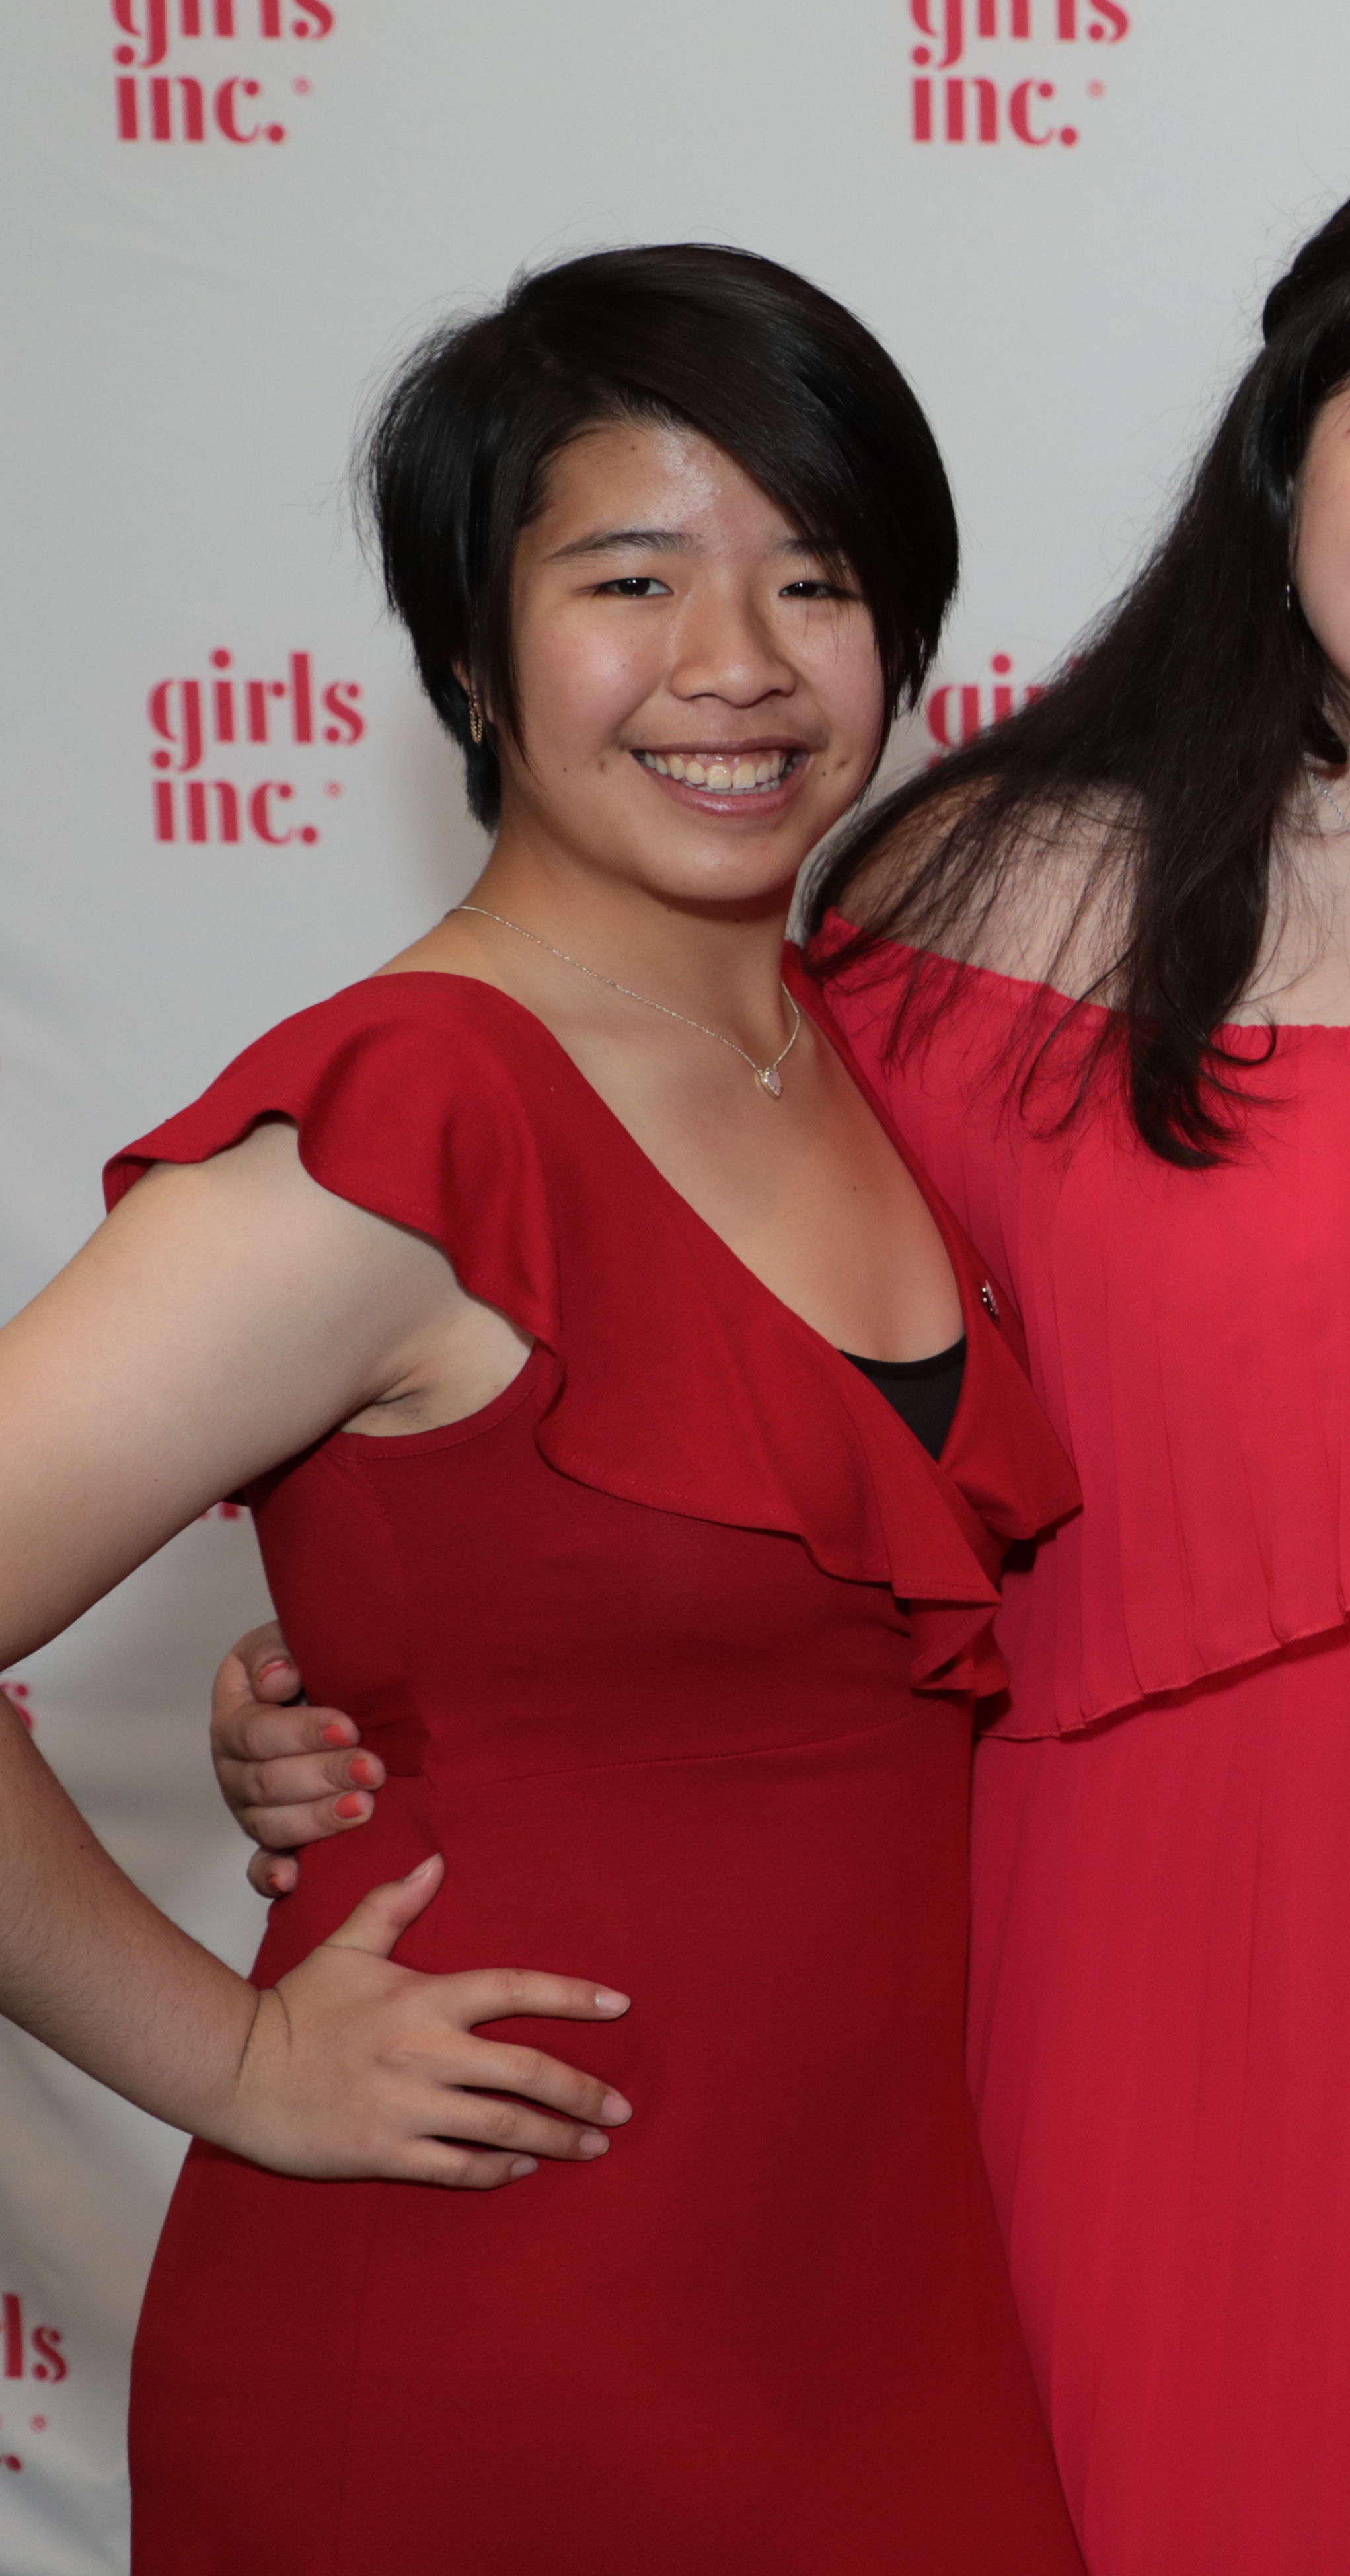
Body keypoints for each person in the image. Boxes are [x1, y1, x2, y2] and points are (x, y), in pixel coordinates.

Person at [222, 162, 1350, 2574]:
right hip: (1159, 2006)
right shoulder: (983, 899)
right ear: (1287, 465)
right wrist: (386, 1648)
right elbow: (700, 1369)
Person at [0, 247, 1082, 2571]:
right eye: (632, 577)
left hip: (880, 2310)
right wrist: (226, 2059)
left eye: (817, 580)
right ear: (474, 658)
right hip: (503, 2321)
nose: (739, 664)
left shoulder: (865, 1055)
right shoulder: (406, 1118)